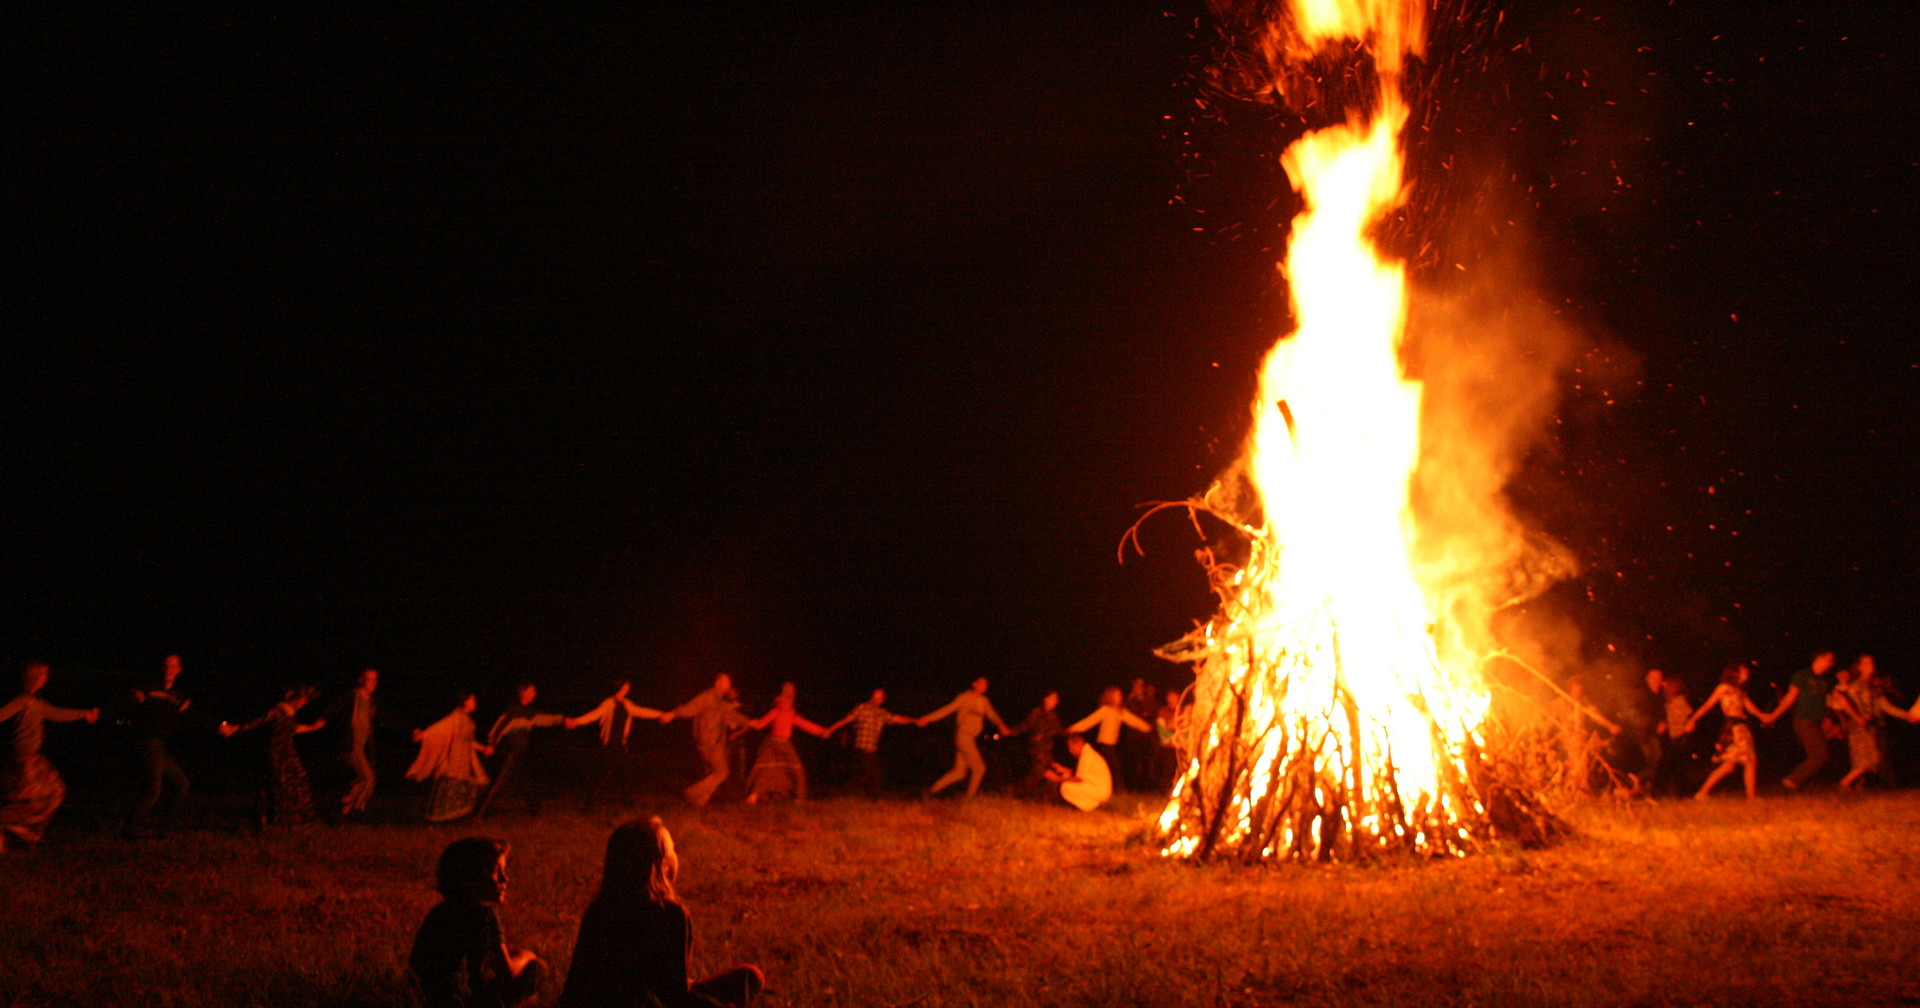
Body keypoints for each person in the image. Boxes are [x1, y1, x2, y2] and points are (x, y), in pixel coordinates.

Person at [560, 816, 764, 1008]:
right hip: (650, 1002)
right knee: (744, 981)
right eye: (673, 850)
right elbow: (673, 994)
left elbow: (576, 983)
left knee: (747, 975)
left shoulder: (599, 910)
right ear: (661, 866)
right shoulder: (671, 915)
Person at [410, 835, 548, 1008]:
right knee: (536, 968)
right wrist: (527, 956)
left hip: (432, 1000)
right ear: (471, 878)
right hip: (469, 1000)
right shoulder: (484, 915)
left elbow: (418, 964)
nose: (505, 879)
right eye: (497, 872)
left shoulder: (439, 913)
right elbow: (506, 972)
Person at [0, 661, 99, 852]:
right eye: (44, 674)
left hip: (35, 759)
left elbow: (56, 714)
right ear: (36, 677)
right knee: (29, 801)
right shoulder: (23, 701)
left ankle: (23, 835)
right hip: (23, 761)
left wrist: (84, 714)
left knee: (55, 792)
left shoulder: (35, 702)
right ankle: (9, 831)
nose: (47, 678)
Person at [220, 684, 326, 827]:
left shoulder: (291, 712)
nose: (304, 703)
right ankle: (281, 819)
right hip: (277, 753)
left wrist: (312, 727)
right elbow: (258, 722)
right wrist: (236, 728)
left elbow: (291, 729)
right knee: (283, 785)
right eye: (303, 699)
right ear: (295, 698)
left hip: (289, 751)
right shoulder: (278, 710)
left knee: (300, 780)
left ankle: (302, 818)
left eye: (306, 700)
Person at [1682, 662, 1779, 800]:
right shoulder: (1723, 688)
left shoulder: (1740, 691)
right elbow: (1707, 705)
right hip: (1734, 728)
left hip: (1742, 727)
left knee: (1729, 766)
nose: (1747, 673)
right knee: (1749, 761)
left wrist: (1766, 716)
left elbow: (1751, 709)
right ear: (1735, 672)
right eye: (1744, 670)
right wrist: (1692, 720)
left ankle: (1702, 793)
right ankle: (1750, 797)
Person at [568, 681, 668, 810]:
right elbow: (594, 715)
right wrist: (577, 721)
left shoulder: (627, 704)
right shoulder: (608, 703)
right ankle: (590, 804)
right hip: (610, 745)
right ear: (620, 687)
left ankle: (627, 803)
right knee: (602, 775)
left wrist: (659, 714)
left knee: (625, 774)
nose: (628, 687)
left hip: (621, 745)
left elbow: (641, 711)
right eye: (626, 685)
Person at [125, 653, 192, 836]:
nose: (169, 670)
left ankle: (165, 824)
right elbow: (129, 703)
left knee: (182, 784)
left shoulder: (177, 695)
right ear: (162, 668)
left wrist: (221, 725)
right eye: (166, 666)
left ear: (179, 670)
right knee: (153, 789)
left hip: (161, 745)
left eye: (173, 666)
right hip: (148, 741)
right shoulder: (149, 688)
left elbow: (189, 713)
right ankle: (132, 828)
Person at [1830, 655, 1917, 791]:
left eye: (1872, 662)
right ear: (1859, 667)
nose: (1871, 664)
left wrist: (1907, 715)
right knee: (1868, 758)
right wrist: (1858, 717)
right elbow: (1844, 703)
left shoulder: (1873, 686)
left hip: (1870, 725)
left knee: (1869, 758)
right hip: (1859, 724)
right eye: (1866, 663)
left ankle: (1856, 785)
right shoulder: (1855, 685)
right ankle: (1844, 783)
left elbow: (1885, 705)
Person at [477, 684, 565, 819]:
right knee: (498, 783)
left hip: (519, 753)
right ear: (523, 693)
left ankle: (536, 809)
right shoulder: (513, 711)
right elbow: (497, 729)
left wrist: (563, 719)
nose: (535, 694)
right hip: (510, 753)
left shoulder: (529, 712)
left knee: (524, 781)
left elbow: (545, 719)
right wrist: (491, 745)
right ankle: (480, 813)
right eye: (532, 691)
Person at [318, 667, 394, 818]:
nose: (372, 683)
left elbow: (387, 719)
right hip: (350, 746)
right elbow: (335, 707)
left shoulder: (372, 702)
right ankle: (350, 802)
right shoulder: (352, 696)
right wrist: (321, 720)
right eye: (369, 679)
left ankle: (345, 810)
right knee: (368, 777)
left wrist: (411, 730)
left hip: (364, 747)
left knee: (366, 779)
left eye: (375, 680)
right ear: (360, 680)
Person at [918, 677, 1011, 799]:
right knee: (979, 768)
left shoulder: (984, 701)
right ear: (974, 684)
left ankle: (931, 791)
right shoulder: (964, 698)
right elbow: (947, 709)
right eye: (982, 683)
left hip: (970, 738)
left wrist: (1001, 724)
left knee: (959, 773)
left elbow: (992, 714)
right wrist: (928, 718)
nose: (985, 686)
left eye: (986, 684)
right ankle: (969, 799)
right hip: (963, 737)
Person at [408, 693, 494, 823]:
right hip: (454, 760)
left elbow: (469, 741)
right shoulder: (456, 717)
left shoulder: (467, 720)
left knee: (467, 786)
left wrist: (483, 748)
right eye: (472, 700)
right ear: (465, 701)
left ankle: (458, 817)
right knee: (449, 786)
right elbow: (440, 728)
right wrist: (424, 735)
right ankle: (439, 819)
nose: (475, 702)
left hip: (465, 760)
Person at [669, 675, 749, 808]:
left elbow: (729, 714)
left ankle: (698, 803)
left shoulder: (719, 700)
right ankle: (692, 793)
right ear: (718, 683)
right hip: (708, 741)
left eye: (729, 684)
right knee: (721, 772)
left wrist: (749, 721)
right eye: (727, 683)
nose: (729, 686)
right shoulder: (708, 696)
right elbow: (691, 707)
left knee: (714, 772)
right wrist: (673, 714)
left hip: (714, 741)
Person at [742, 683, 829, 804]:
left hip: (777, 746)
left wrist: (821, 731)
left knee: (773, 769)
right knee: (785, 769)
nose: (791, 696)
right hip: (775, 746)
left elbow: (804, 724)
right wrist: (748, 722)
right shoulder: (778, 711)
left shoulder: (787, 712)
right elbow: (760, 724)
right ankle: (797, 798)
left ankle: (760, 795)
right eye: (790, 693)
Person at [824, 688, 912, 798]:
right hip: (861, 748)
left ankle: (855, 795)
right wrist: (830, 730)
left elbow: (898, 719)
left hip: (871, 750)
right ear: (871, 697)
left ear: (882, 700)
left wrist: (915, 721)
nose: (876, 700)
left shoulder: (882, 713)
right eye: (874, 697)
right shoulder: (862, 708)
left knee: (869, 774)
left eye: (879, 698)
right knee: (872, 773)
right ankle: (864, 797)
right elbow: (845, 720)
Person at [1772, 650, 1837, 792]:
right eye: (1830, 659)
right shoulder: (1802, 675)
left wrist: (1829, 719)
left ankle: (1795, 782)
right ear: (1819, 658)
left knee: (1819, 755)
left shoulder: (1827, 680)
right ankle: (1792, 780)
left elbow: (1832, 700)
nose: (1832, 663)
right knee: (1821, 754)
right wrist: (1773, 716)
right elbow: (1790, 698)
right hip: (1804, 720)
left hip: (1817, 722)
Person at [1068, 687, 1153, 792]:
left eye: (1121, 695)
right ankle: (1117, 790)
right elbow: (1090, 721)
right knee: (1113, 768)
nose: (1120, 698)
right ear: (1111, 697)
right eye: (1118, 695)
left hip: (1111, 746)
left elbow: (1134, 721)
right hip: (1103, 745)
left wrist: (1148, 728)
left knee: (1113, 768)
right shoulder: (1105, 710)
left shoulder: (1120, 712)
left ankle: (1113, 790)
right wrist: (1074, 728)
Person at [1556, 675, 1622, 796]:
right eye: (1575, 689)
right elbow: (1547, 718)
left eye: (1580, 689)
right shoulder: (1560, 703)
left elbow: (1596, 716)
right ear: (1569, 689)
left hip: (1580, 740)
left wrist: (1610, 726)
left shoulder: (1584, 703)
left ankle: (1581, 789)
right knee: (1572, 762)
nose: (1577, 692)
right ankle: (1569, 789)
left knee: (1584, 761)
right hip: (1565, 740)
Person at [1007, 691, 1063, 799]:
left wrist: (1071, 732)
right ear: (1045, 699)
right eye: (1054, 698)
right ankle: (1018, 792)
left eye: (1057, 699)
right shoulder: (1037, 713)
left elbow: (1059, 731)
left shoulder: (1053, 716)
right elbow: (1025, 725)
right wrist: (1012, 731)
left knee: (1046, 772)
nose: (1056, 701)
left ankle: (1044, 796)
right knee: (1039, 772)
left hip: (1047, 750)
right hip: (1037, 749)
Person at [1045, 733, 1112, 812]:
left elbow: (1079, 779)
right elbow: (1082, 774)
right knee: (1066, 777)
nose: (1070, 751)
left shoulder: (1087, 756)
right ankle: (1092, 805)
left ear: (1078, 744)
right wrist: (1064, 770)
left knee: (1066, 787)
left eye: (1071, 748)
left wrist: (1057, 778)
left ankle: (1090, 807)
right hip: (1097, 788)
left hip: (1099, 791)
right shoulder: (1088, 754)